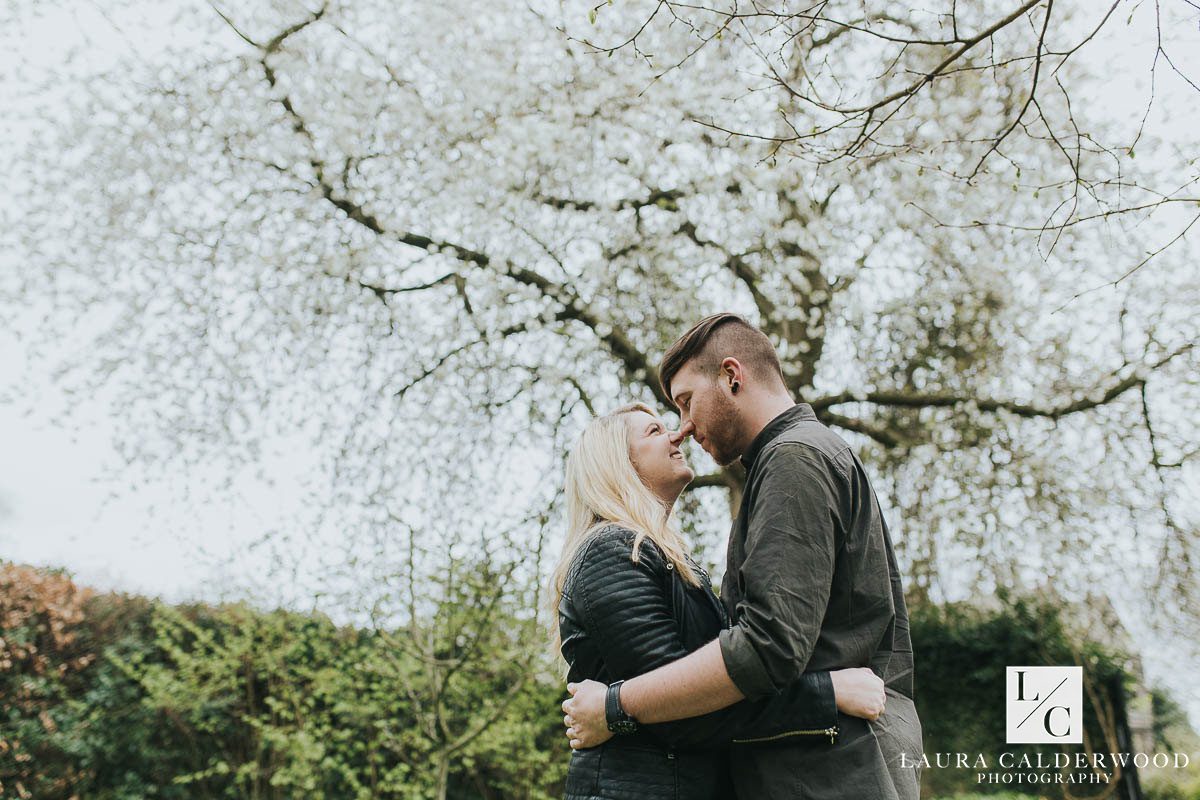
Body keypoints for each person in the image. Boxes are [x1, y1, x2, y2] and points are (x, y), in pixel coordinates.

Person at [562, 314, 924, 800]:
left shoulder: (795, 459)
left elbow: (765, 647)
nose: (684, 429)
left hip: (830, 768)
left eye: (687, 402)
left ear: (732, 376)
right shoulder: (797, 460)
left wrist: (613, 706)